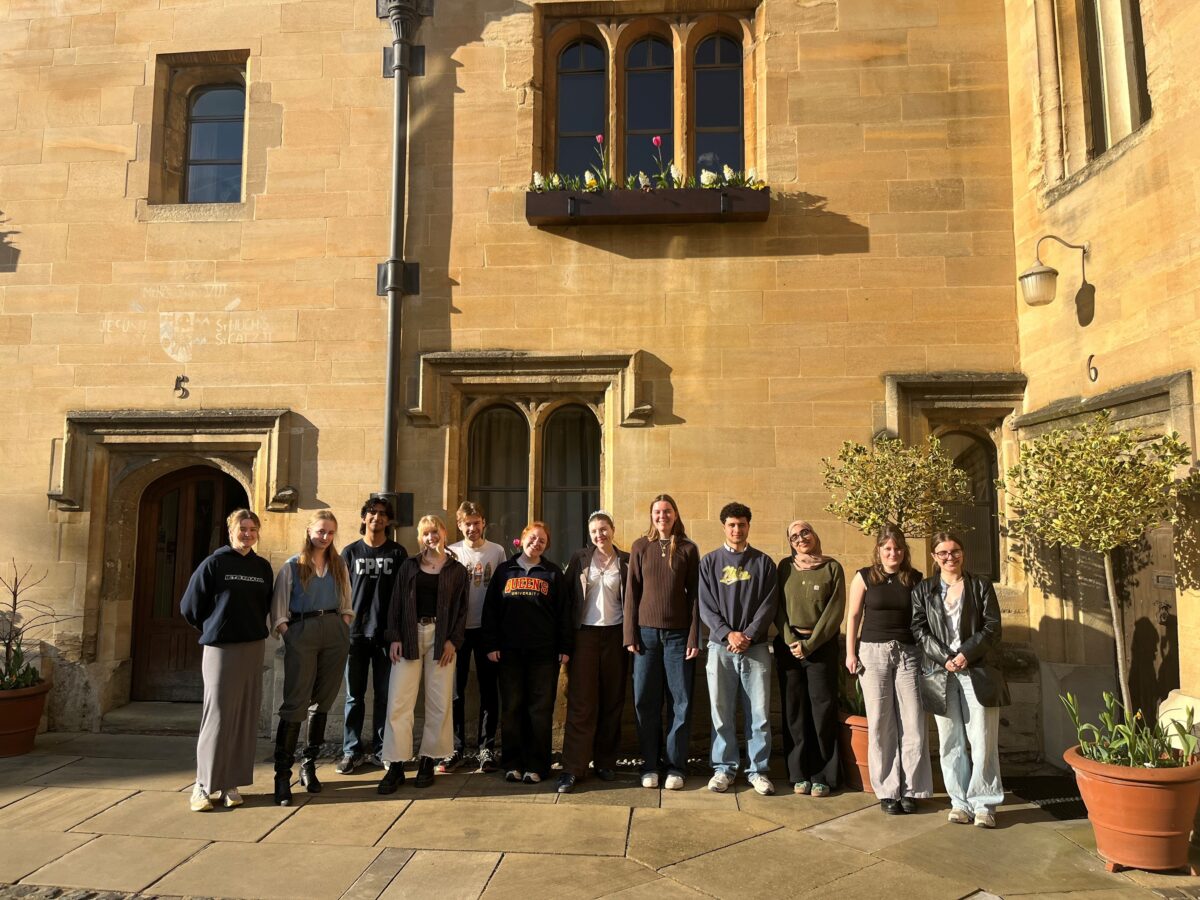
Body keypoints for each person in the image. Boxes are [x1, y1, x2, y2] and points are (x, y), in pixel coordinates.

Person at [911, 531, 1009, 828]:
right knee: (950, 741)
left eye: (954, 551)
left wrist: (966, 654)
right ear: (934, 557)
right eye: (943, 553)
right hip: (941, 673)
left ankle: (984, 805)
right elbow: (918, 629)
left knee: (982, 739)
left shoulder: (980, 585)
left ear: (962, 553)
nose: (949, 557)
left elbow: (992, 627)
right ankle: (959, 803)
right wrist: (945, 657)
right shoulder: (923, 590)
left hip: (976, 670)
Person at [181, 508, 273, 812]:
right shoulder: (214, 563)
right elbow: (190, 607)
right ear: (230, 531)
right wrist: (214, 627)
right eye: (242, 529)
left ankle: (230, 783)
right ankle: (203, 785)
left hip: (253, 646)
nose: (247, 534)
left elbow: (264, 605)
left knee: (243, 717)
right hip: (221, 649)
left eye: (252, 529)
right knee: (218, 716)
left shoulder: (262, 567)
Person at [377, 514, 469, 794]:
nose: (432, 537)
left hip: (441, 638)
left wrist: (453, 640)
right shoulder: (409, 566)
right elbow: (395, 603)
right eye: (426, 533)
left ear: (444, 533)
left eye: (435, 532)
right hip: (409, 635)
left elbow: (462, 608)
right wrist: (394, 636)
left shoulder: (456, 570)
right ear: (421, 537)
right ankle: (396, 763)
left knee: (439, 701)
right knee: (399, 700)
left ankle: (429, 759)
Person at [845, 526, 932, 814]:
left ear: (904, 551)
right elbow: (853, 616)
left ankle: (911, 789)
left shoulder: (915, 579)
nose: (892, 553)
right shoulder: (864, 577)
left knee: (913, 721)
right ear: (879, 550)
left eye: (897, 548)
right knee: (880, 721)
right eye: (887, 549)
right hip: (873, 653)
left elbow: (924, 619)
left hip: (908, 654)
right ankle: (887, 790)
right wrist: (850, 653)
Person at [270, 509, 353, 806]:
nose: (325, 537)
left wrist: (343, 625)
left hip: (334, 631)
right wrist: (289, 634)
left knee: (324, 700)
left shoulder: (338, 564)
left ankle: (309, 764)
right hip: (302, 630)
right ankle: (282, 775)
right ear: (309, 531)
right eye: (320, 531)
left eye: (330, 532)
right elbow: (279, 608)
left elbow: (347, 601)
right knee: (295, 702)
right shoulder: (293, 566)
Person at [482, 521, 571, 785]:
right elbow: (491, 610)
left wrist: (565, 647)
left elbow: (564, 613)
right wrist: (491, 644)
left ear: (547, 545)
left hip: (543, 654)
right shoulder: (504, 571)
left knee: (540, 710)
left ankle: (537, 765)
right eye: (533, 538)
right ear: (522, 539)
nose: (536, 543)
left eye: (542, 540)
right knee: (512, 708)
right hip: (509, 653)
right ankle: (512, 764)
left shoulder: (552, 573)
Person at [699, 502, 778, 795]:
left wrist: (749, 635)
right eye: (731, 525)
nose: (736, 530)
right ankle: (724, 768)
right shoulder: (709, 562)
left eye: (741, 524)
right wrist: (726, 634)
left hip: (755, 648)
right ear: (724, 527)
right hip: (720, 647)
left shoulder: (764, 563)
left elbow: (769, 604)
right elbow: (705, 605)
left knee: (759, 713)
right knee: (721, 711)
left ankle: (758, 770)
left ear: (748, 526)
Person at [624, 494, 701, 790]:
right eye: (657, 511)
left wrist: (694, 635)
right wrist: (630, 634)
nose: (662, 516)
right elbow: (632, 592)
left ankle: (676, 767)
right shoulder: (640, 546)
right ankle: (649, 765)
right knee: (645, 700)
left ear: (675, 514)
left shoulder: (688, 549)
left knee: (680, 701)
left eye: (667, 511)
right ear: (651, 515)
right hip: (645, 637)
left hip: (678, 637)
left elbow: (695, 596)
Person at [558, 511, 630, 794]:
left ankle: (605, 762)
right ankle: (573, 767)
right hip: (584, 635)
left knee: (612, 700)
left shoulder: (626, 561)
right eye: (594, 532)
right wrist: (565, 643)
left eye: (603, 529)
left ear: (613, 529)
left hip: (616, 636)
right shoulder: (580, 559)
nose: (600, 535)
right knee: (581, 702)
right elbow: (566, 600)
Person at [336, 496, 407, 776]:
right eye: (372, 512)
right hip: (354, 635)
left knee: (384, 696)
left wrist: (398, 633)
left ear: (389, 520)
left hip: (385, 635)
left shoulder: (397, 553)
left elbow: (403, 596)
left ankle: (381, 749)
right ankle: (351, 751)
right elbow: (340, 592)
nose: (377, 517)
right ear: (364, 517)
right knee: (354, 696)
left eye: (383, 513)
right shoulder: (350, 552)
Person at [775, 520, 845, 797]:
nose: (801, 538)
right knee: (794, 711)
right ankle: (798, 774)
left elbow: (835, 611)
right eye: (794, 536)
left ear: (814, 534)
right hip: (789, 647)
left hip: (821, 649)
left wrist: (811, 644)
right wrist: (791, 641)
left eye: (805, 532)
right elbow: (777, 607)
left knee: (822, 710)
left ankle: (823, 775)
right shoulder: (784, 567)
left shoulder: (832, 567)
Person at [444, 501, 507, 774]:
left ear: (483, 523)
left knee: (488, 690)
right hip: (457, 631)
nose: (472, 528)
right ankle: (456, 747)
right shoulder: (451, 552)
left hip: (487, 629)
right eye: (467, 524)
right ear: (459, 525)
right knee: (455, 691)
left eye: (476, 523)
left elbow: (503, 589)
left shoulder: (497, 551)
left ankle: (486, 748)